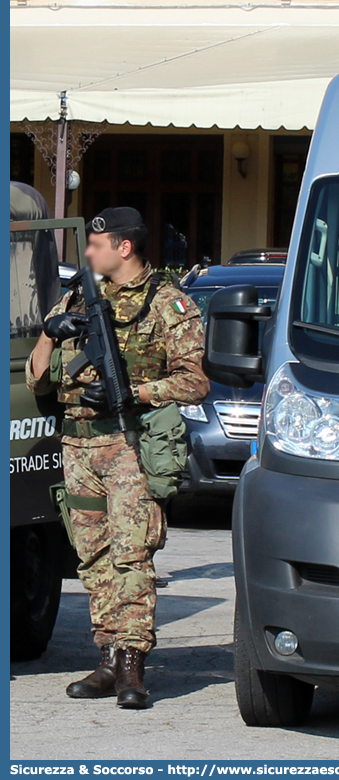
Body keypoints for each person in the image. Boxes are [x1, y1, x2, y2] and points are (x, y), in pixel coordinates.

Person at [25, 207, 209, 709]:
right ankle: (107, 657)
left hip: (129, 444)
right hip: (78, 445)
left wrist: (133, 393)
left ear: (123, 247)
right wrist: (50, 331)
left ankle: (132, 667)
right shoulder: (78, 297)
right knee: (93, 558)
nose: (88, 253)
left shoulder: (166, 303)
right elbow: (37, 376)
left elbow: (195, 381)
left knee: (132, 556)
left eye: (96, 244)